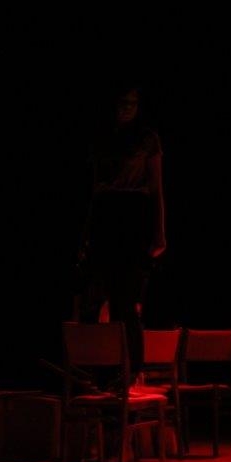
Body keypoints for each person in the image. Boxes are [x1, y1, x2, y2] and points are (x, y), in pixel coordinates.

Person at [75, 83, 166, 383]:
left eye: (132, 103)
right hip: (106, 214)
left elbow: (156, 189)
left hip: (133, 215)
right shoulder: (103, 138)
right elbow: (93, 189)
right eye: (122, 102)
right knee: (95, 296)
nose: (126, 108)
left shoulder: (147, 139)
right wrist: (86, 233)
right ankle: (94, 368)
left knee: (125, 300)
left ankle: (129, 370)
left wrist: (159, 231)